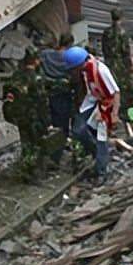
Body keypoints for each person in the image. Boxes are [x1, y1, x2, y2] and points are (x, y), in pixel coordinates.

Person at [63, 46, 120, 185]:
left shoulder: (100, 70)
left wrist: (114, 114)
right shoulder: (85, 71)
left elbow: (116, 93)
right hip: (92, 101)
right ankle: (95, 151)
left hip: (107, 104)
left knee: (102, 137)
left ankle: (102, 171)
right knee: (78, 130)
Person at [2, 49, 55, 179]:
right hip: (32, 117)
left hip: (18, 115)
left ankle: (26, 167)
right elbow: (42, 102)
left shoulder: (16, 75)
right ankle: (31, 171)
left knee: (25, 142)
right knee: (36, 144)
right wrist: (47, 122)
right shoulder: (35, 79)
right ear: (36, 61)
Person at [41, 32, 75, 166]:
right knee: (63, 126)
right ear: (70, 44)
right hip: (64, 95)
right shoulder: (68, 59)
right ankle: (56, 157)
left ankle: (51, 152)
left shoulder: (46, 55)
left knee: (53, 124)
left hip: (50, 94)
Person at [100, 8, 131, 91]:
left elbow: (103, 47)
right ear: (121, 17)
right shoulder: (122, 32)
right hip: (119, 64)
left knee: (109, 86)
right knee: (119, 87)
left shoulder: (106, 31)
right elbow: (126, 51)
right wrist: (129, 65)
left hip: (108, 62)